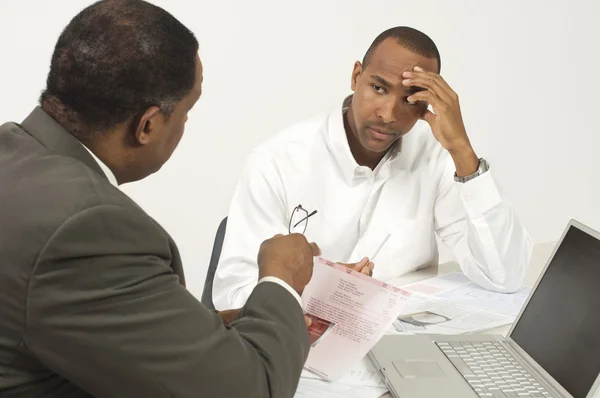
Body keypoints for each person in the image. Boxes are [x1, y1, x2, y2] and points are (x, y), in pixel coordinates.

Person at [0, 1, 320, 397]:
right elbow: (252, 390)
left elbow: (66, 314)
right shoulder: (88, 228)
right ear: (147, 125)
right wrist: (281, 278)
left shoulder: (11, 154)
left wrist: (205, 330)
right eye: (186, 113)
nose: (184, 126)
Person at [213, 26, 533, 310]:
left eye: (410, 100)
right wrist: (321, 289)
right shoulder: (277, 162)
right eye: (378, 88)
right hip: (299, 348)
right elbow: (232, 296)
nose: (389, 114)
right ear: (356, 77)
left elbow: (504, 276)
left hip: (400, 346)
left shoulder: (437, 159)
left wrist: (462, 149)